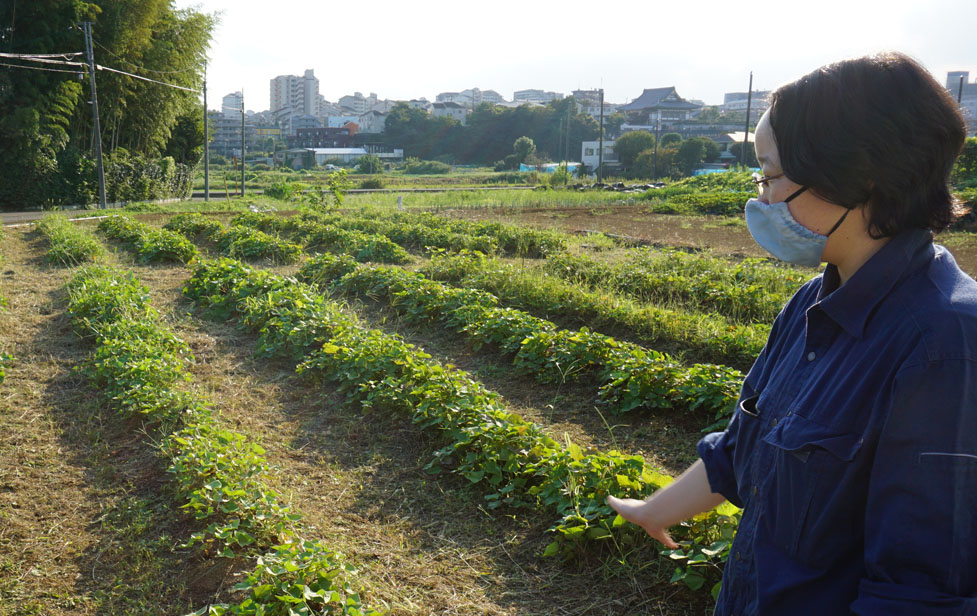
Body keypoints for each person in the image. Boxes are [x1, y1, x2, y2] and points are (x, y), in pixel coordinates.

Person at [608, 51, 977, 615]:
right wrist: (656, 509)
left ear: (859, 175)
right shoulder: (815, 300)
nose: (761, 197)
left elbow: (919, 593)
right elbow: (743, 449)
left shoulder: (944, 346)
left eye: (773, 175)